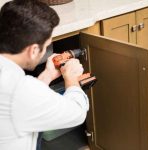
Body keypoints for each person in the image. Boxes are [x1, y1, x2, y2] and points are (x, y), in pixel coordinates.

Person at [0, 0, 89, 150]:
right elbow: (77, 112)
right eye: (46, 46)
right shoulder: (20, 90)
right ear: (33, 50)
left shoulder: (11, 80)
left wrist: (47, 75)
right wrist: (71, 79)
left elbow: (23, 101)